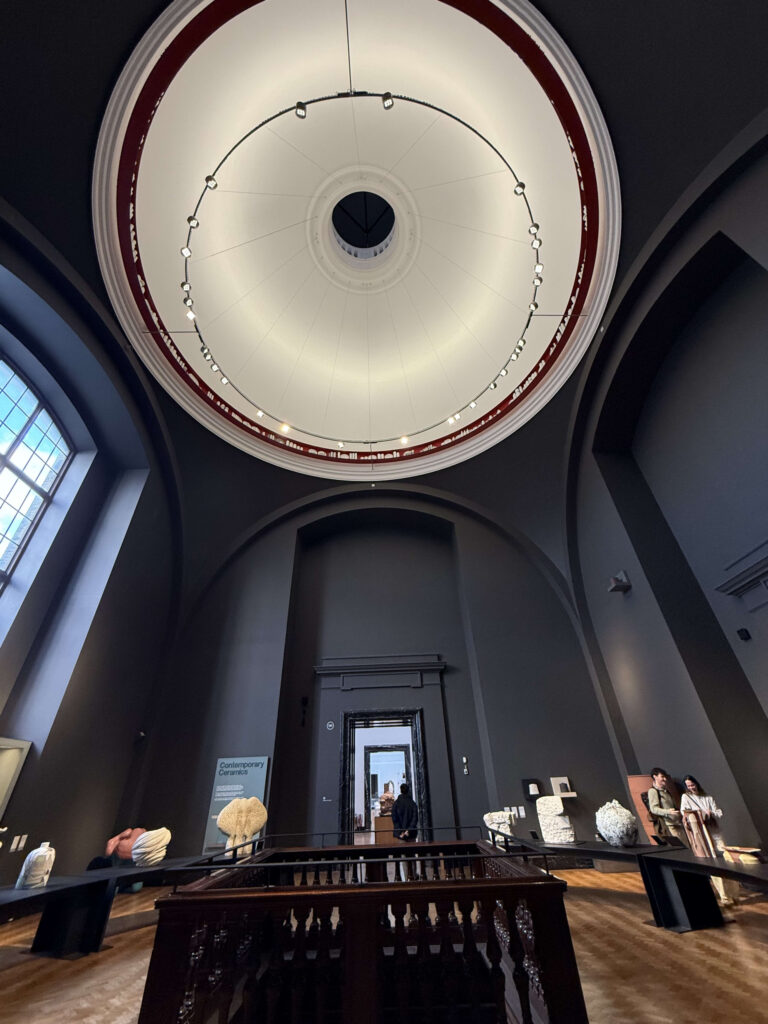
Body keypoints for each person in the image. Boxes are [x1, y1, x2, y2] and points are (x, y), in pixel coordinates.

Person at [680, 774, 738, 904]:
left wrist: (710, 813)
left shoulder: (707, 797)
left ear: (697, 784)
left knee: (726, 859)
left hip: (714, 831)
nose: (691, 788)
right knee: (712, 863)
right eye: (688, 786)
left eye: (692, 785)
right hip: (701, 834)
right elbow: (685, 813)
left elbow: (719, 813)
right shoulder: (686, 797)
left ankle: (733, 893)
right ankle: (724, 896)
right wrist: (699, 813)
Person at [647, 767, 687, 844]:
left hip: (677, 823)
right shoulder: (653, 791)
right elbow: (653, 809)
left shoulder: (665, 790)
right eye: (662, 777)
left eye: (665, 777)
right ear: (655, 777)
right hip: (669, 825)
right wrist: (668, 812)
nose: (665, 779)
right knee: (680, 848)